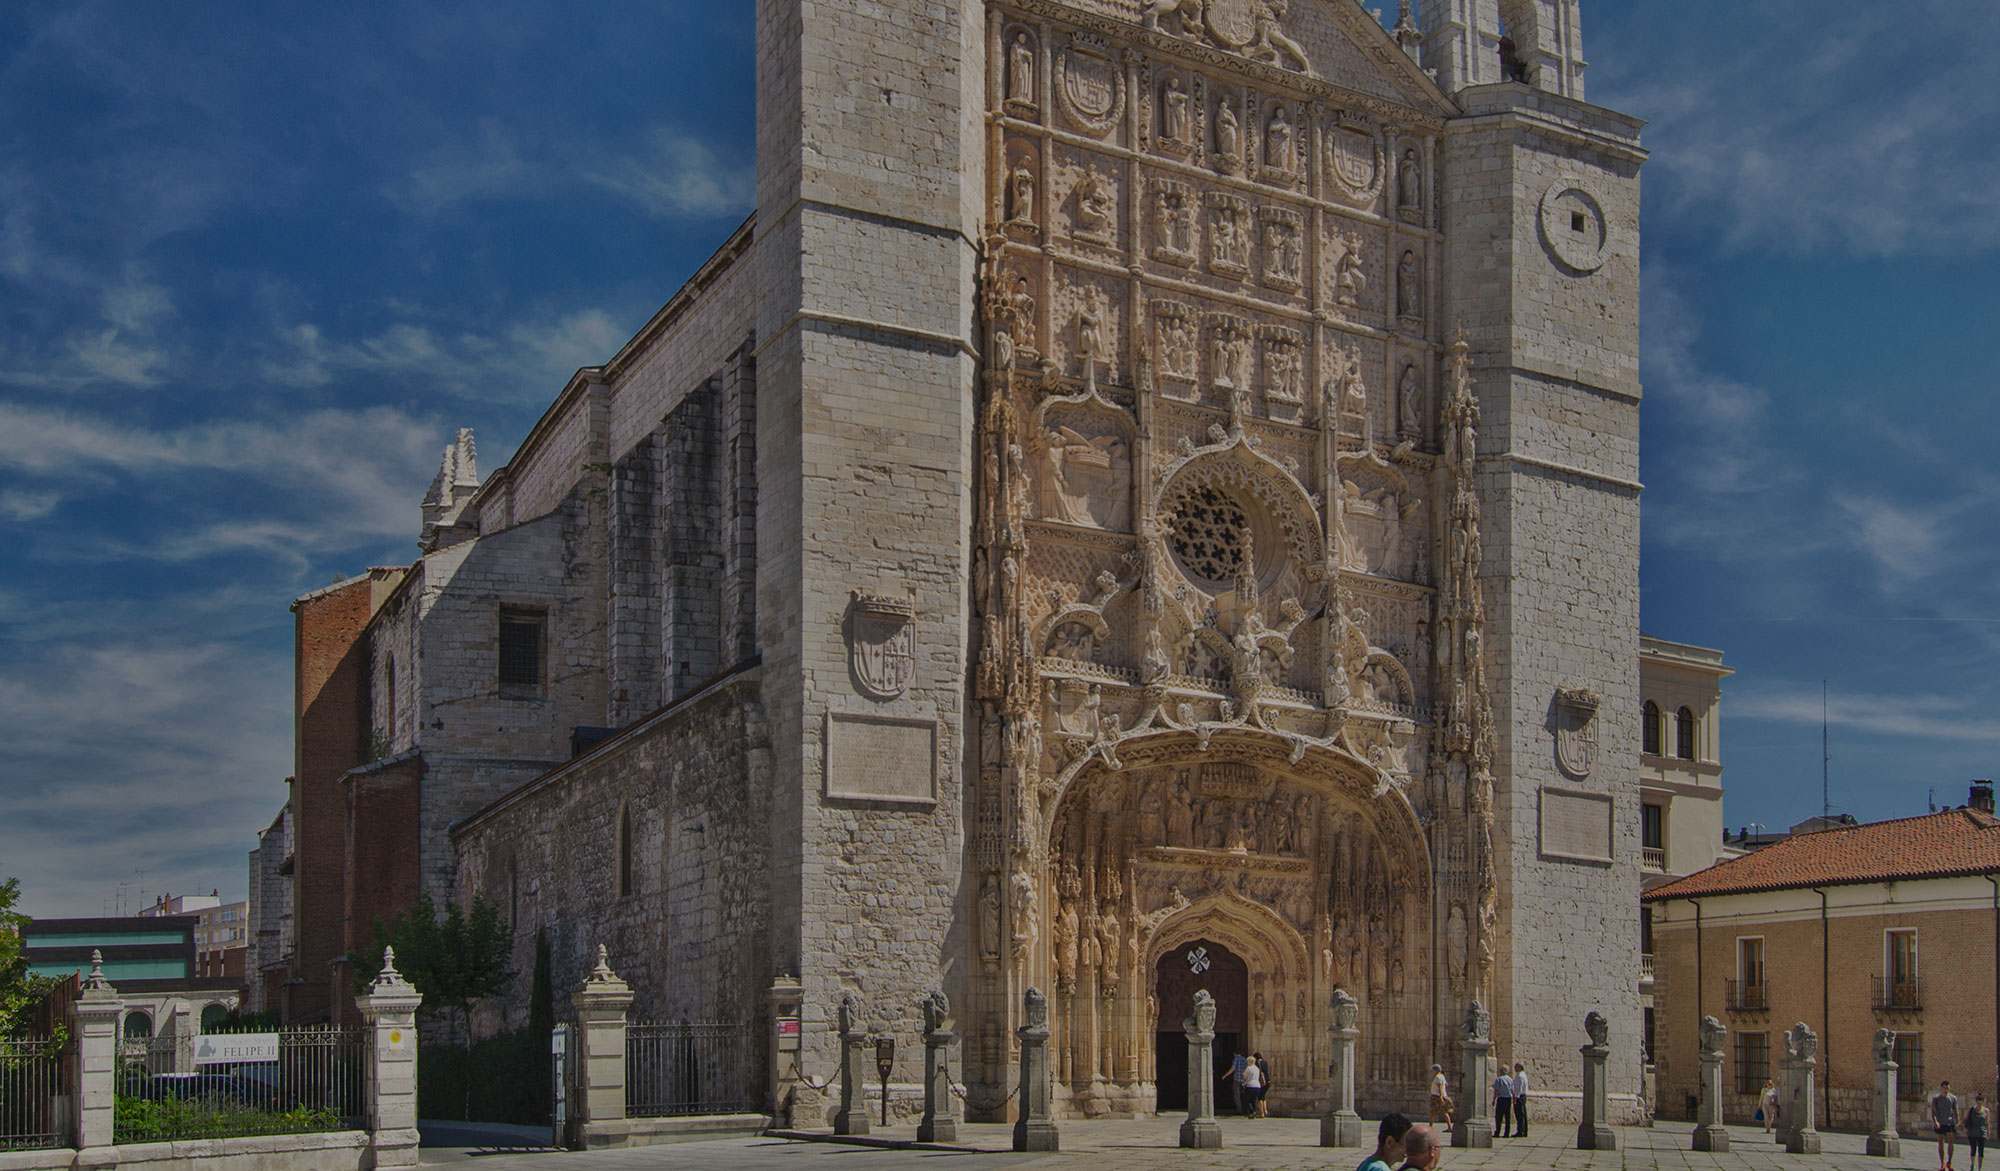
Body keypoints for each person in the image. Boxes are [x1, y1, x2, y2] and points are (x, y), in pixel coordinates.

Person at [1935, 1078, 1962, 1171]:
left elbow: (1956, 1110)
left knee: (1951, 1142)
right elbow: (1934, 1111)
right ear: (1941, 1088)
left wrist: (1958, 1121)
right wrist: (1936, 1122)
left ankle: (1949, 1162)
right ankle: (1942, 1163)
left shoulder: (1953, 1098)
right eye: (1944, 1088)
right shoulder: (1936, 1098)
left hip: (1950, 1122)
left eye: (1948, 1088)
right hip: (1940, 1123)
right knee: (1941, 1142)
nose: (1946, 1090)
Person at [1428, 1063, 1454, 1133]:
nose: (1432, 1072)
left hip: (1436, 1096)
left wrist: (1441, 1097)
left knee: (1433, 1112)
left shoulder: (1438, 1077)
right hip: (1441, 1096)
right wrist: (1445, 1094)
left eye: (1432, 1070)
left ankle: (1430, 1127)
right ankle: (1449, 1127)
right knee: (1444, 1112)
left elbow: (1440, 1087)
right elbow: (1446, 1085)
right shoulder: (1442, 1076)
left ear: (1436, 1070)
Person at [1967, 1093, 1989, 1171]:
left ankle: (1980, 1168)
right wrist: (1960, 1124)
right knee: (1973, 1150)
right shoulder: (1972, 1109)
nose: (1979, 1104)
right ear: (1976, 1102)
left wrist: (1988, 1133)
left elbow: (1987, 1122)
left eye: (1981, 1103)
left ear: (1983, 1102)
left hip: (1982, 1132)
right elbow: (1966, 1118)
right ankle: (1972, 1165)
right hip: (1972, 1132)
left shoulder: (1986, 1110)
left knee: (1981, 1151)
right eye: (1978, 1103)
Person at [1493, 1062, 1515, 1137]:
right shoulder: (1510, 1079)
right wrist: (1514, 1099)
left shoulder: (1499, 1079)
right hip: (1508, 1099)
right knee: (1507, 1116)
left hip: (1501, 1099)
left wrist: (1494, 1099)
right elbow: (1512, 1091)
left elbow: (1496, 1090)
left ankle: (1497, 1132)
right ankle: (1506, 1133)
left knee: (1499, 1116)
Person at [1241, 1049, 1264, 1118]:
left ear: (1250, 1061)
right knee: (1253, 1100)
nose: (1247, 1062)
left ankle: (1252, 1112)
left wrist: (1243, 1077)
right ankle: (1253, 1112)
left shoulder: (1248, 1068)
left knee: (1246, 1100)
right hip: (1257, 1085)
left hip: (1250, 1085)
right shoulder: (1257, 1068)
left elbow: (1244, 1077)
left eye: (1247, 1061)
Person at [1512, 1061, 1530, 1137]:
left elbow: (1519, 1087)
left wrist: (1516, 1097)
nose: (1514, 1068)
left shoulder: (1519, 1076)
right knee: (1523, 1114)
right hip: (1522, 1096)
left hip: (1519, 1096)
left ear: (1519, 1067)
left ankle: (1521, 1131)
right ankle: (1524, 1131)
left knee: (1519, 1115)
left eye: (1516, 1066)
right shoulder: (1523, 1075)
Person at [1254, 1051, 1272, 1118]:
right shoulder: (1265, 1063)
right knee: (1263, 1096)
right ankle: (1265, 1111)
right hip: (1267, 1080)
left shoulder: (1258, 1063)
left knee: (1260, 1097)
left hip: (1262, 1082)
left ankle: (1261, 1113)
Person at [1230, 1049, 1247, 1116]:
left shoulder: (1236, 1059)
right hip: (1243, 1081)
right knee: (1242, 1095)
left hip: (1237, 1080)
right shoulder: (1244, 1059)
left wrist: (1224, 1076)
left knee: (1236, 1095)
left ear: (1234, 1053)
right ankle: (1244, 1109)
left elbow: (1233, 1069)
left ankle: (1239, 1110)